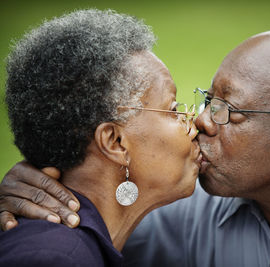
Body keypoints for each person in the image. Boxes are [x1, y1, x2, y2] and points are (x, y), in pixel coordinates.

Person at [1, 29, 270, 266]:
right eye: (207, 101)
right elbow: (91, 217)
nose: (202, 121)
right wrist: (38, 180)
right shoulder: (184, 207)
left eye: (229, 110)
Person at [0, 9, 201, 266]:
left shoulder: (74, 246)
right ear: (115, 142)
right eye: (173, 110)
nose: (193, 125)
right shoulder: (54, 257)